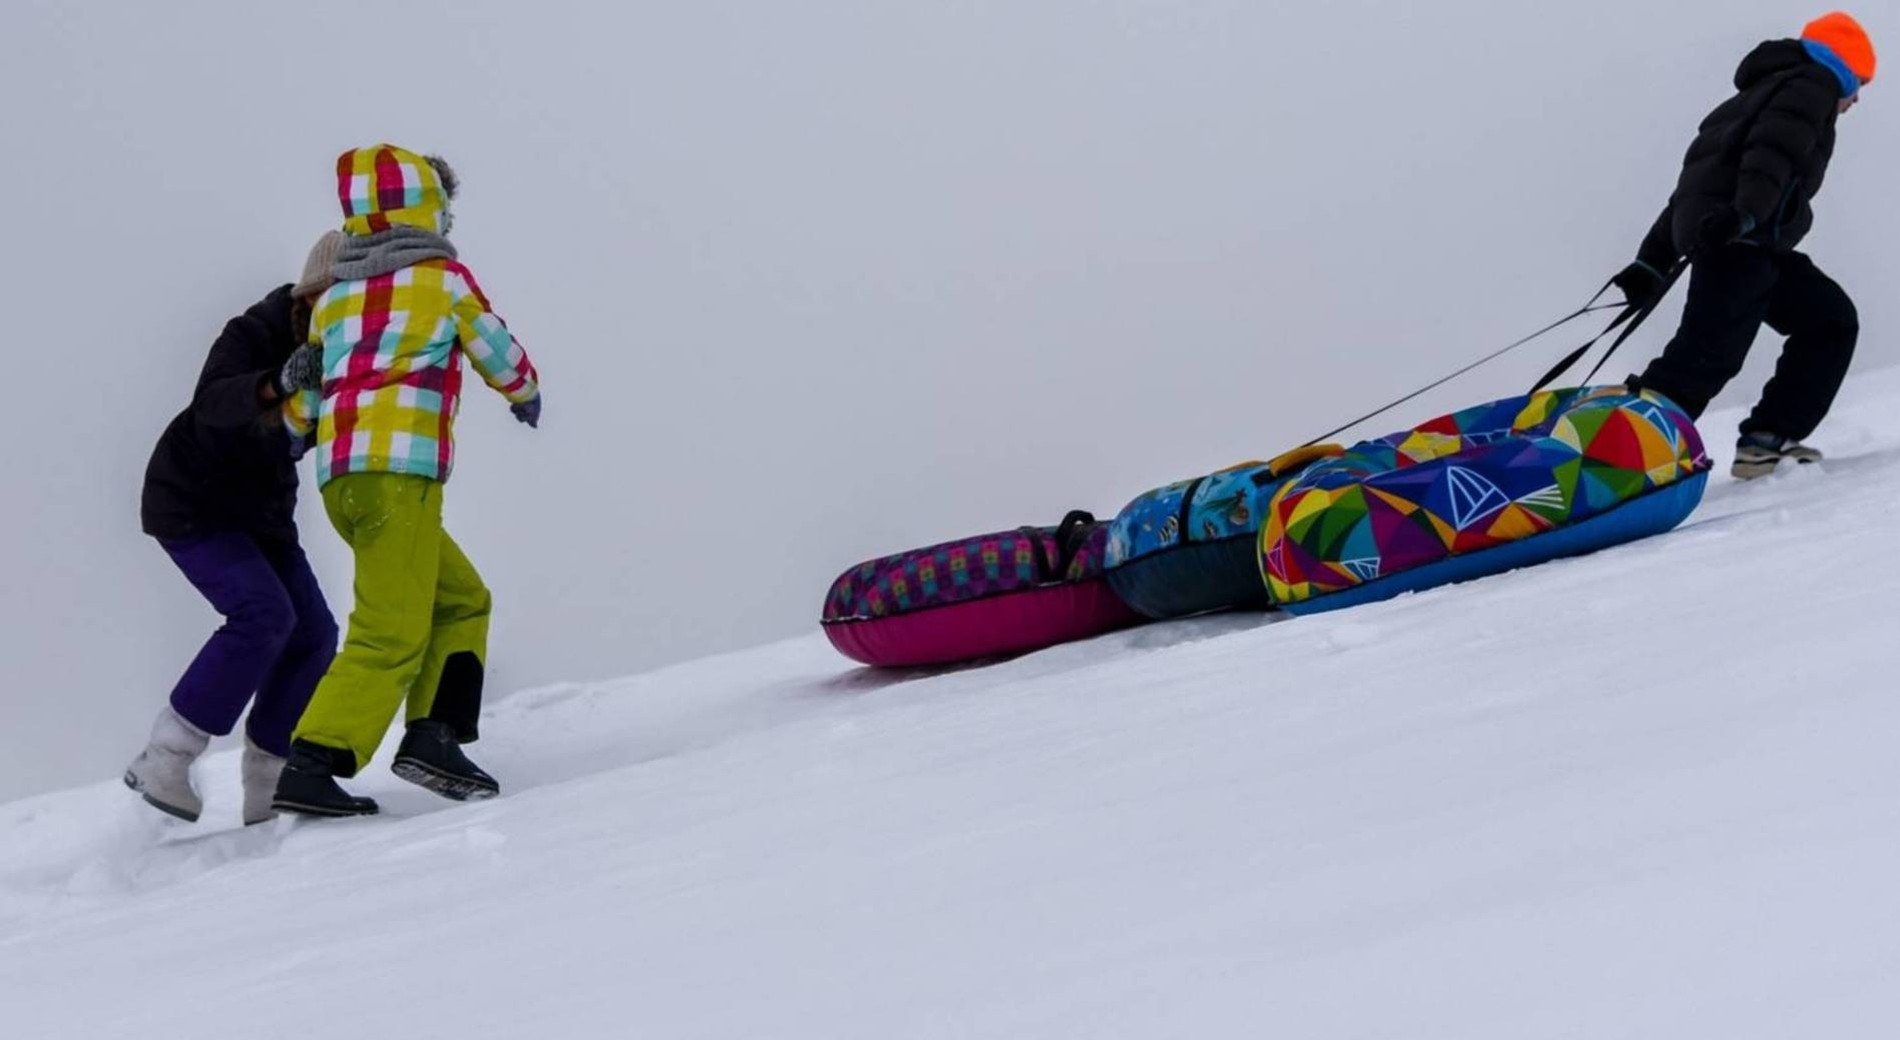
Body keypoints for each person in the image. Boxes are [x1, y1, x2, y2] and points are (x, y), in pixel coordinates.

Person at [271, 144, 542, 818]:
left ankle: (433, 734)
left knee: (461, 599)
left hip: (344, 480)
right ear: (428, 210)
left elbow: (307, 394)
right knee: (390, 629)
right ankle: (313, 758)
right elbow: (494, 346)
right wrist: (524, 392)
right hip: (400, 476)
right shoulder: (441, 282)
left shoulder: (336, 301)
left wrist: (296, 426)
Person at [128, 232, 344, 825]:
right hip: (192, 502)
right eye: (330, 296)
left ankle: (268, 781)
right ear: (308, 294)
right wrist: (279, 379)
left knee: (315, 634)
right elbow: (213, 406)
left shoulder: (351, 346)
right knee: (263, 613)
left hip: (264, 512)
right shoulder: (254, 330)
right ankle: (165, 757)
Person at [1612, 11, 1873, 479]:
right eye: (1861, 84)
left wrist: (1650, 262)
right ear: (1845, 66)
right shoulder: (1812, 85)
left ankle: (1767, 439)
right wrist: (1747, 213)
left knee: (1828, 319)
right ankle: (1621, 460)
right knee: (1706, 357)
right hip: (1742, 240)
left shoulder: (1754, 96)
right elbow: (1773, 153)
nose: (1856, 99)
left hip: (1751, 239)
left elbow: (1691, 191)